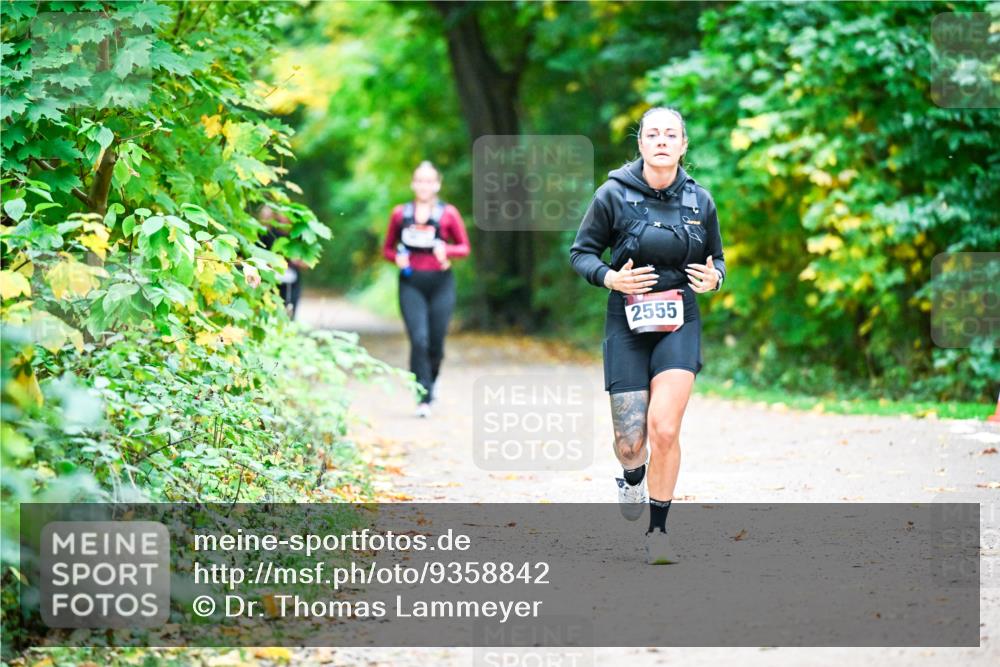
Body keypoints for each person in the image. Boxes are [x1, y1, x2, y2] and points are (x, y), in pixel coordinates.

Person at [570, 107, 726, 564]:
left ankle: (658, 532)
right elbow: (581, 253)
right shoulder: (612, 195)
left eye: (670, 134)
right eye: (652, 134)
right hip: (628, 319)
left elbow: (718, 258)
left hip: (680, 318)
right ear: (640, 144)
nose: (661, 140)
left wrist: (715, 277)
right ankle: (631, 476)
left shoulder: (701, 201)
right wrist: (609, 278)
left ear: (683, 145)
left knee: (665, 427)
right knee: (630, 442)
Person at [383, 161, 470, 418]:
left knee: (436, 343)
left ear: (437, 184)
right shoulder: (400, 214)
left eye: (429, 180)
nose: (424, 185)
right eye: (419, 180)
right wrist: (395, 257)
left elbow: (464, 247)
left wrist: (448, 251)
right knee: (418, 340)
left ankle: (432, 378)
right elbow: (387, 249)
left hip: (441, 283)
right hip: (411, 284)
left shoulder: (448, 214)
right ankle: (424, 397)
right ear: (413, 184)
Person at [257, 204, 307, 318]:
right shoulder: (269, 233)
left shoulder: (298, 235)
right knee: (270, 311)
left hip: (292, 281)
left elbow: (306, 263)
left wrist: (297, 261)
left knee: (290, 313)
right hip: (271, 280)